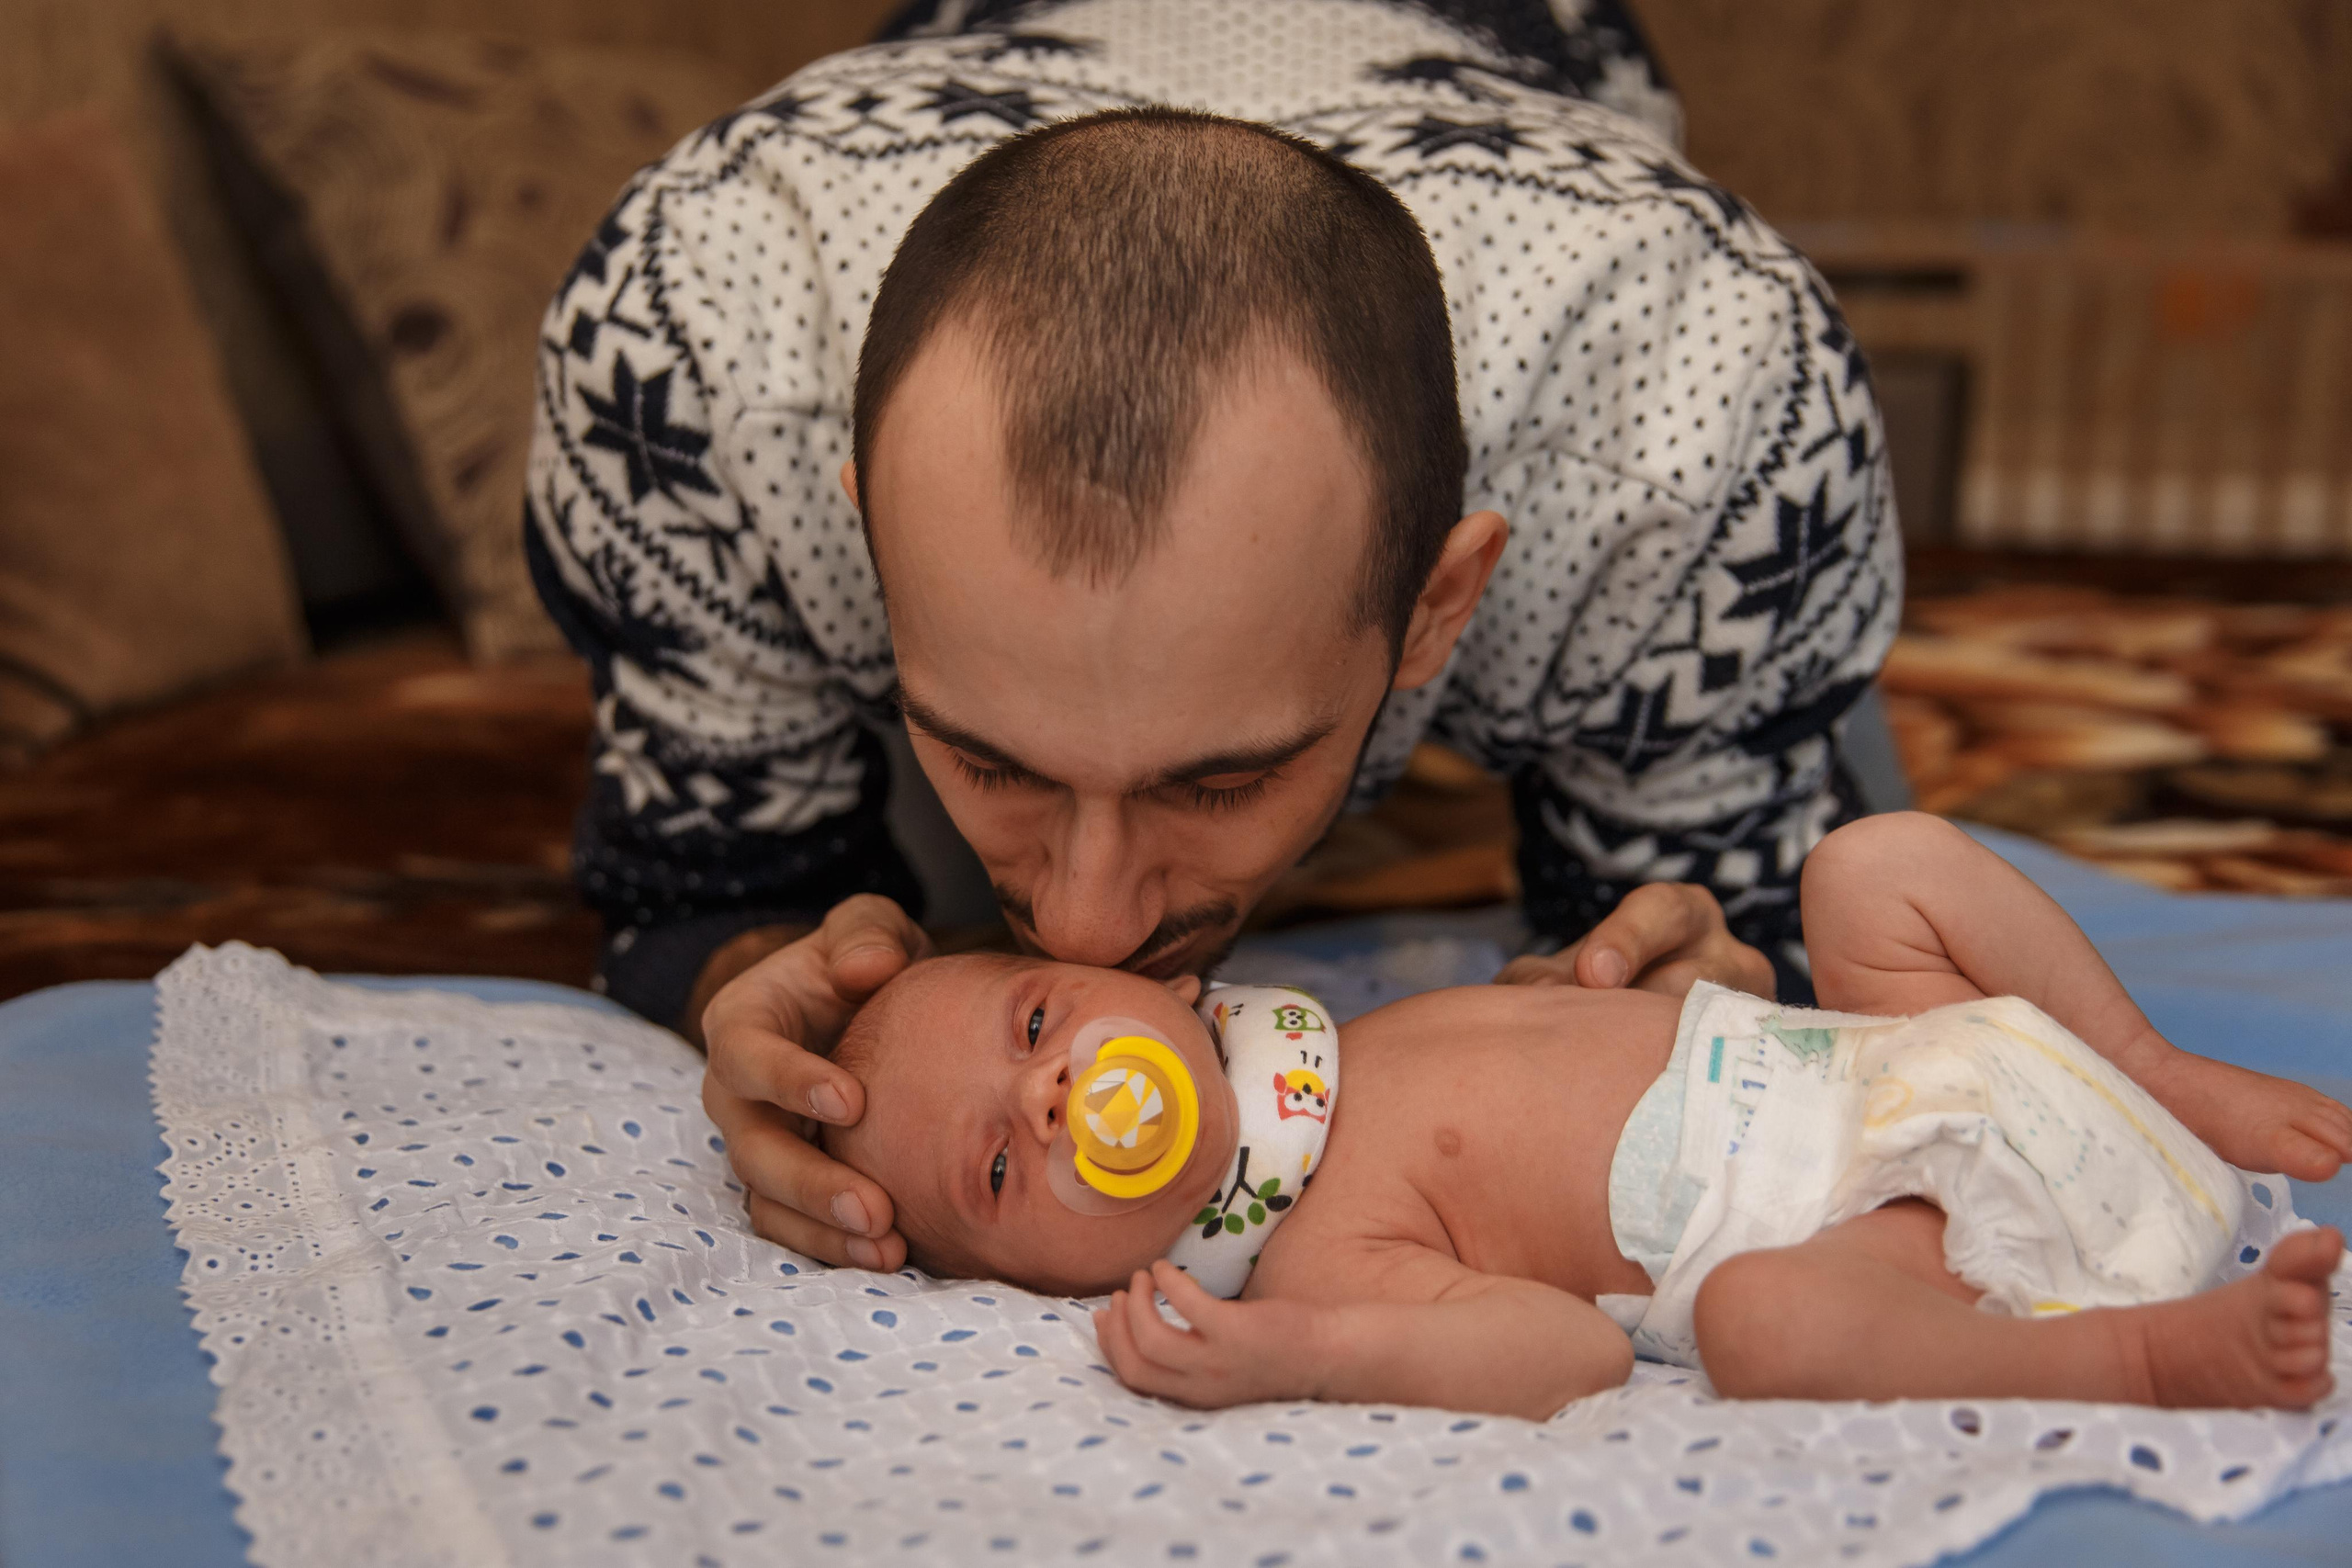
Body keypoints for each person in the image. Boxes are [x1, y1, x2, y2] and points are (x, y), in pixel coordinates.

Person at [531, 0, 1958, 1275]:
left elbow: (1727, 952)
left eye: (1219, 780)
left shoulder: (1703, 439)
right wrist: (754, 985)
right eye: (994, 761)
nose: (1088, 927)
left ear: (1441, 606)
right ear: (864, 541)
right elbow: (696, 890)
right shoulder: (689, 357)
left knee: (1861, 895)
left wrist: (1728, 962)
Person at [817, 812, 2352, 1419]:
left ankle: (2146, 1067)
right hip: (1896, 1231)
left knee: (1870, 865)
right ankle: (2133, 1360)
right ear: (1040, 1282)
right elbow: (1567, 1353)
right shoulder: (1316, 1255)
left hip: (1910, 1059)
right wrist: (1305, 1353)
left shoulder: (1336, 1046)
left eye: (1038, 1024)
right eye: (1002, 1166)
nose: (1052, 1093)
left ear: (1138, 979)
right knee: (1761, 1327)